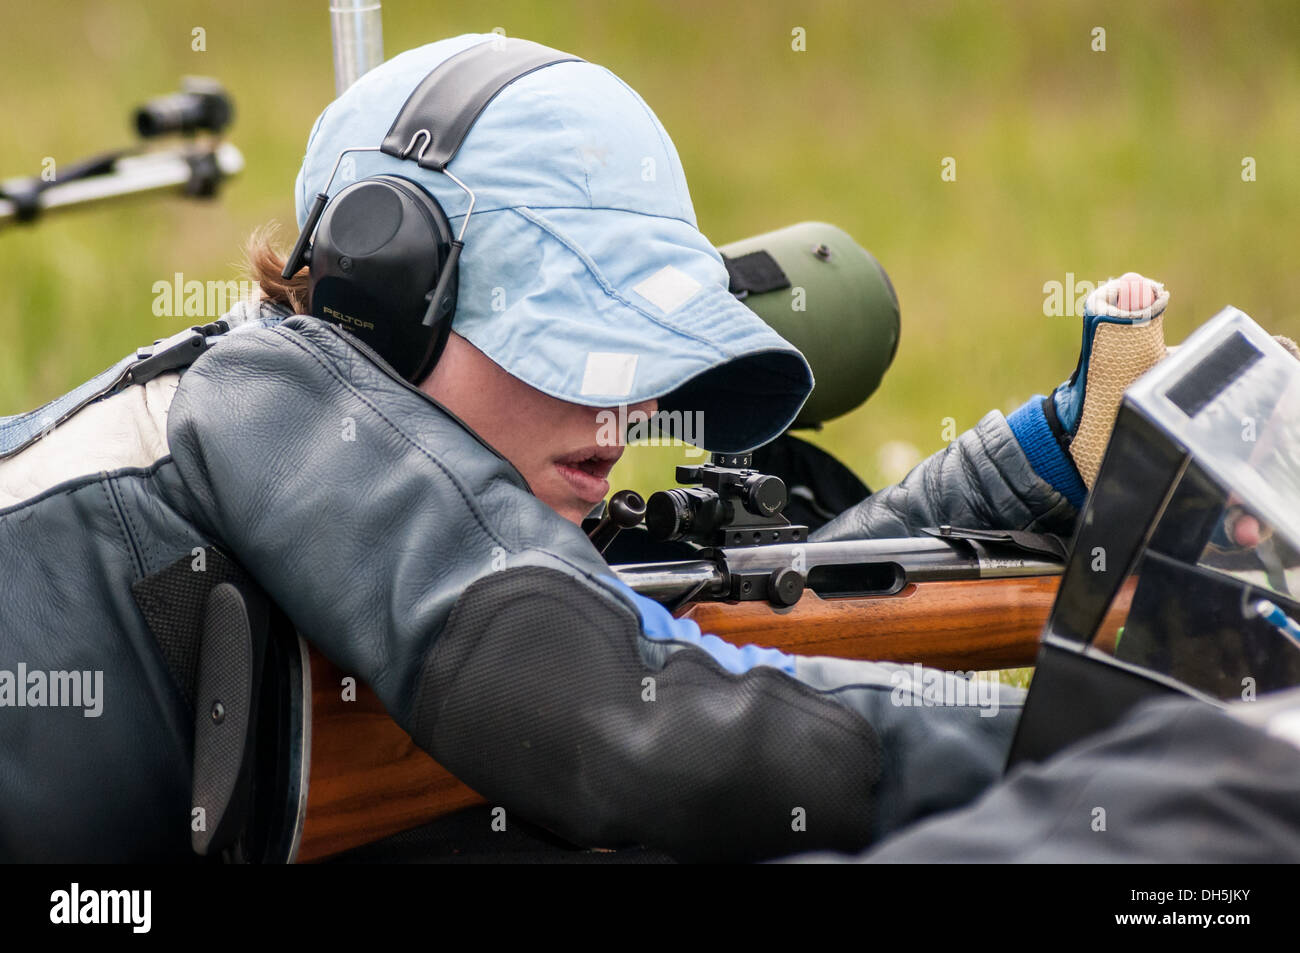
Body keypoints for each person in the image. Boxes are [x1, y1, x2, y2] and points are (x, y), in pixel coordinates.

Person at [0, 33, 1180, 862]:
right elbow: (635, 718)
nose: (621, 422)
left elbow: (683, 631)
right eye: (570, 342)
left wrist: (1022, 473)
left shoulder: (386, 490)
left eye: (634, 352)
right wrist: (1161, 769)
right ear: (388, 294)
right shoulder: (270, 395)